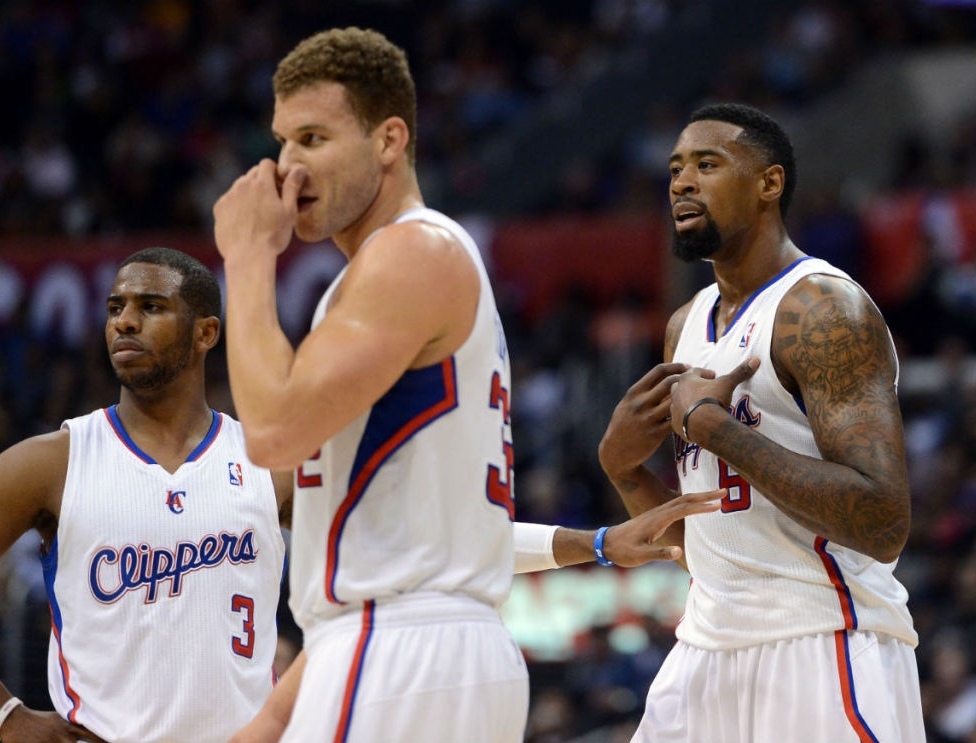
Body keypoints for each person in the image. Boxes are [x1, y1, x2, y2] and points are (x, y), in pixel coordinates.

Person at [213, 26, 728, 743]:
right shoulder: (401, 269)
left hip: (399, 651)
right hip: (429, 649)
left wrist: (244, 258)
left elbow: (270, 434)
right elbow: (431, 532)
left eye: (313, 138)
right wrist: (271, 720)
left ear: (389, 140)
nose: (287, 167)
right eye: (283, 141)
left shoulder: (409, 254)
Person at [598, 102, 926, 742]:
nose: (681, 183)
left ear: (769, 183)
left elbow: (883, 522)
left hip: (819, 641)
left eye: (706, 164)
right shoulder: (684, 324)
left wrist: (718, 431)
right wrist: (622, 467)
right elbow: (709, 543)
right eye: (674, 169)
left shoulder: (822, 309)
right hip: (704, 646)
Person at [0, 247, 293, 743]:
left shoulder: (271, 463)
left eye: (152, 306)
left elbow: (365, 588)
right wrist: (4, 713)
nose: (126, 323)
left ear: (206, 333)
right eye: (116, 308)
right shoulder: (52, 463)